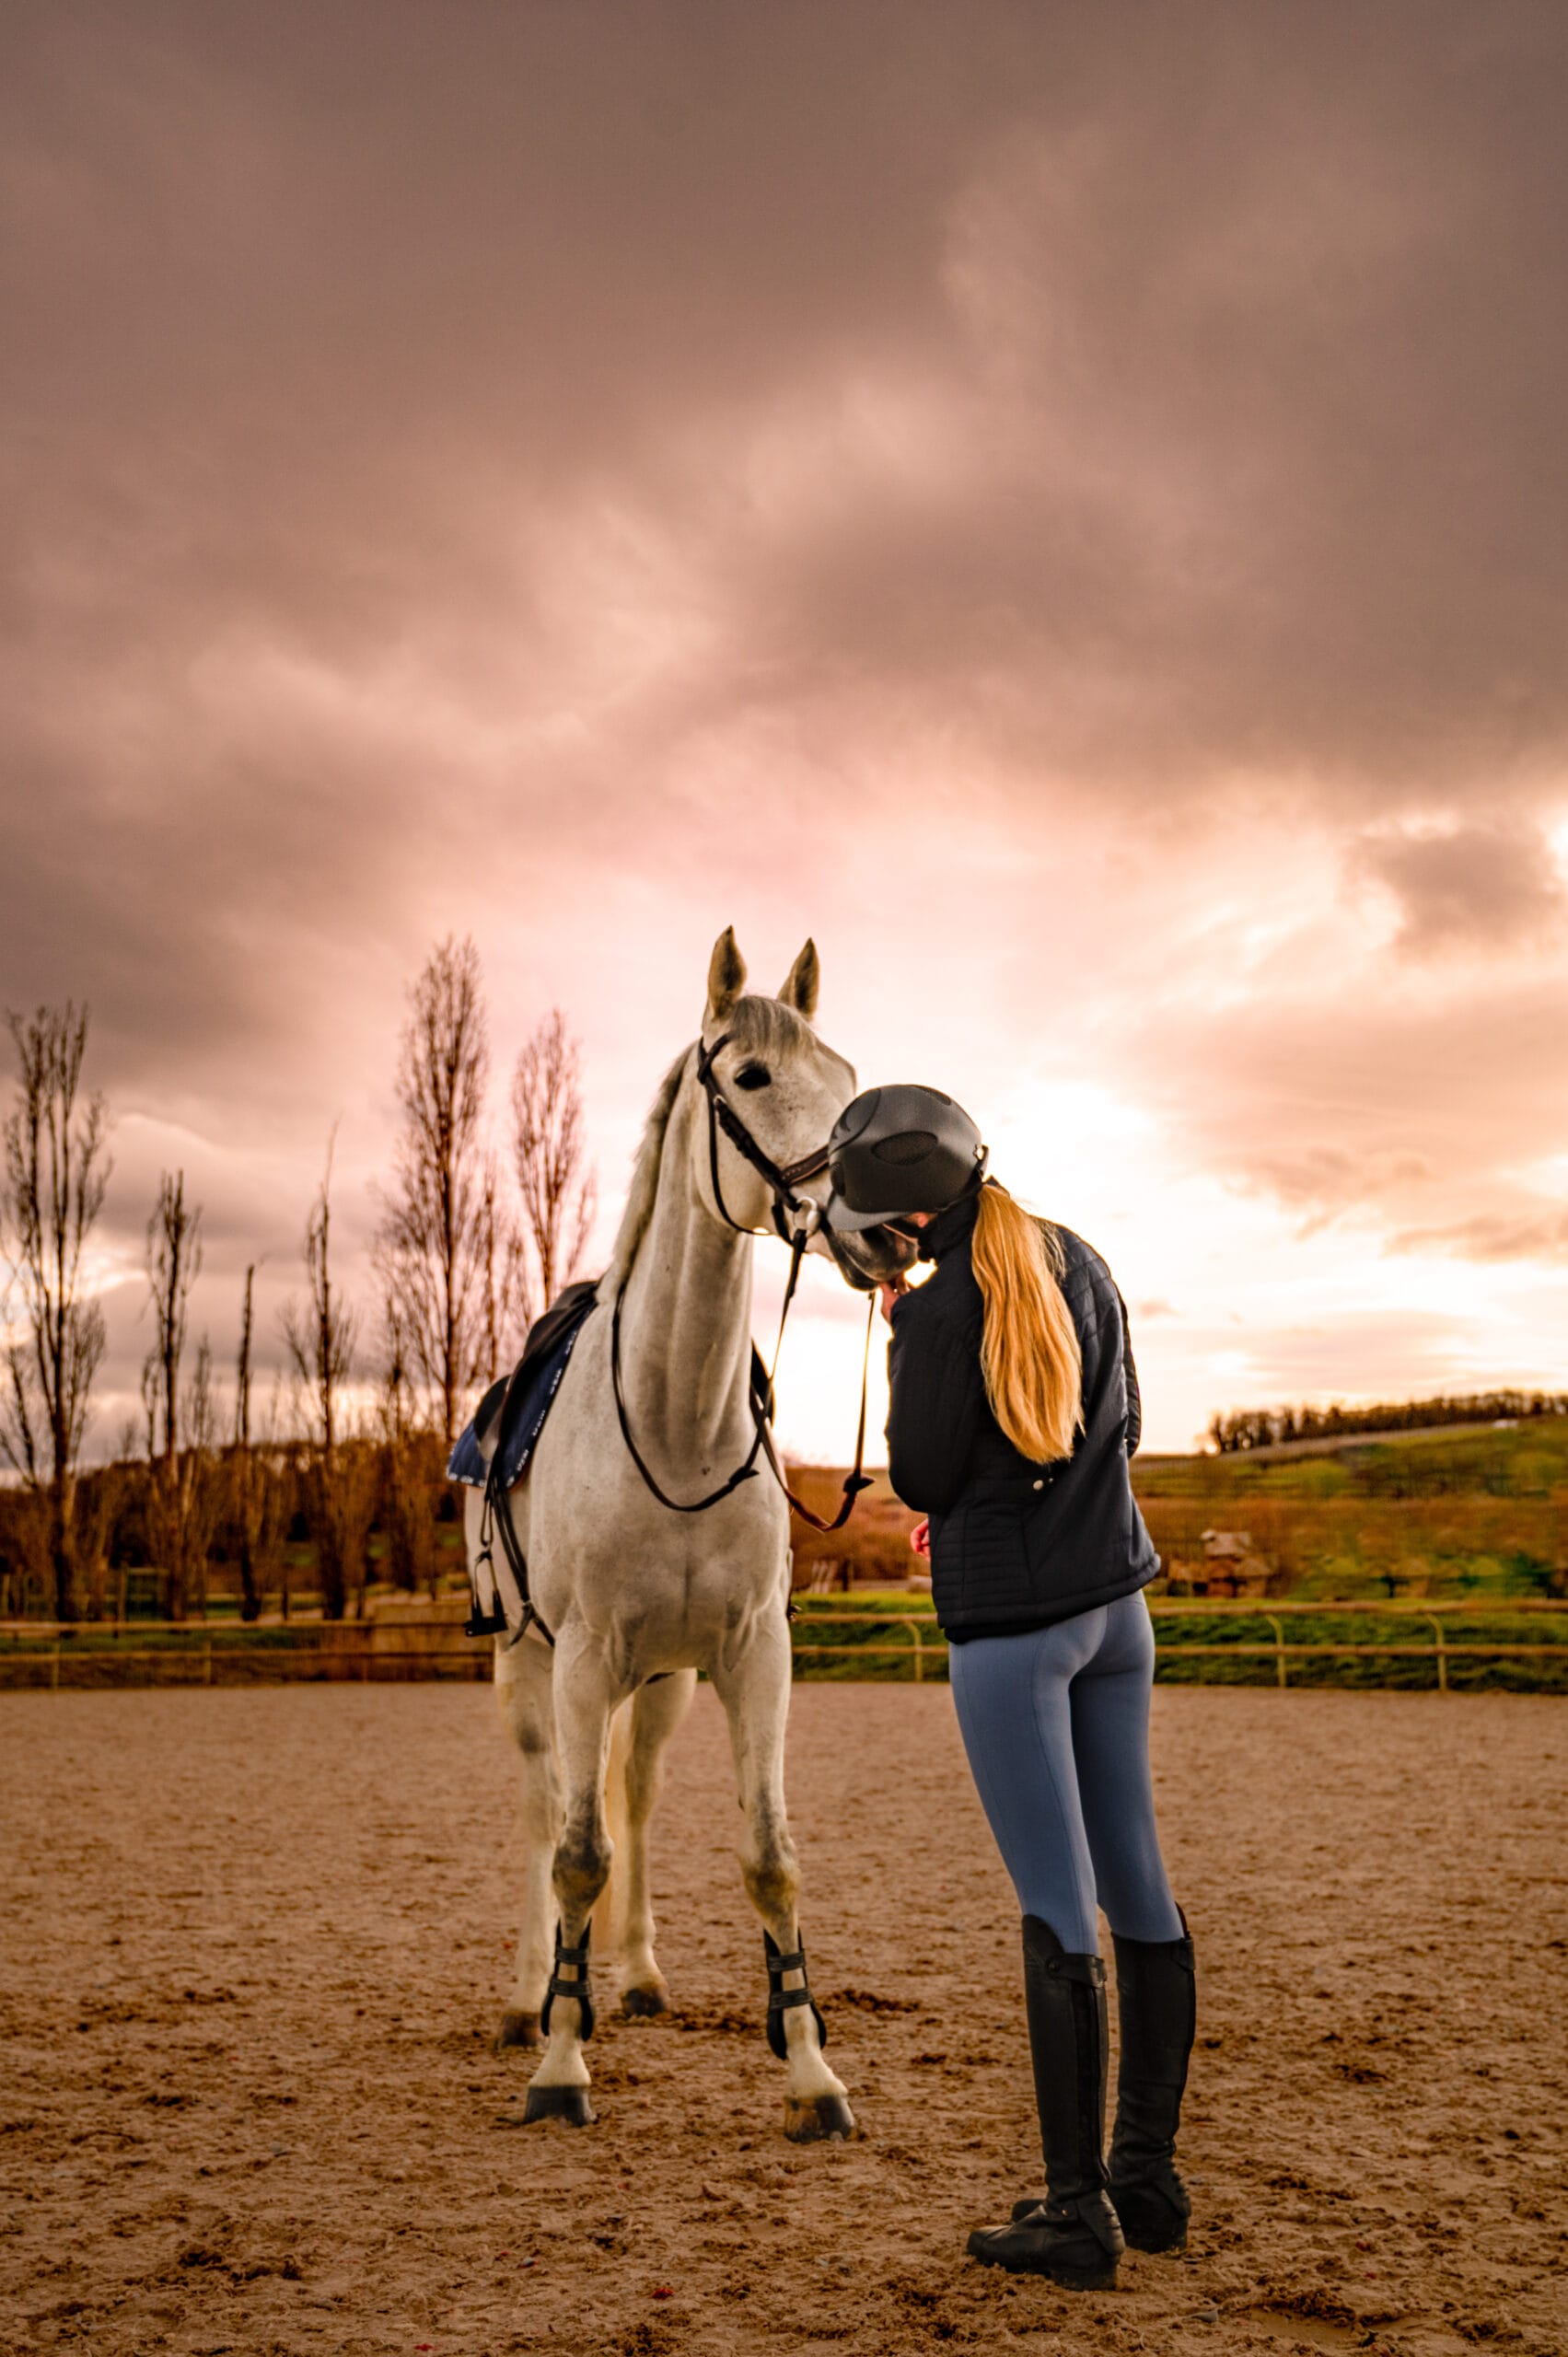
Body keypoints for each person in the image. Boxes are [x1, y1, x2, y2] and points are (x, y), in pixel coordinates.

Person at [824, 1084, 1196, 2292]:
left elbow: (926, 1474)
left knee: (1053, 1905)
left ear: (896, 1215)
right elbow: (1120, 1420)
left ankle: (1077, 2215)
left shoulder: (935, 1309)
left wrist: (899, 1329)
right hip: (1116, 1611)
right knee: (1137, 1886)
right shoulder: (1076, 1255)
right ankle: (1143, 2172)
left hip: (1013, 1636)